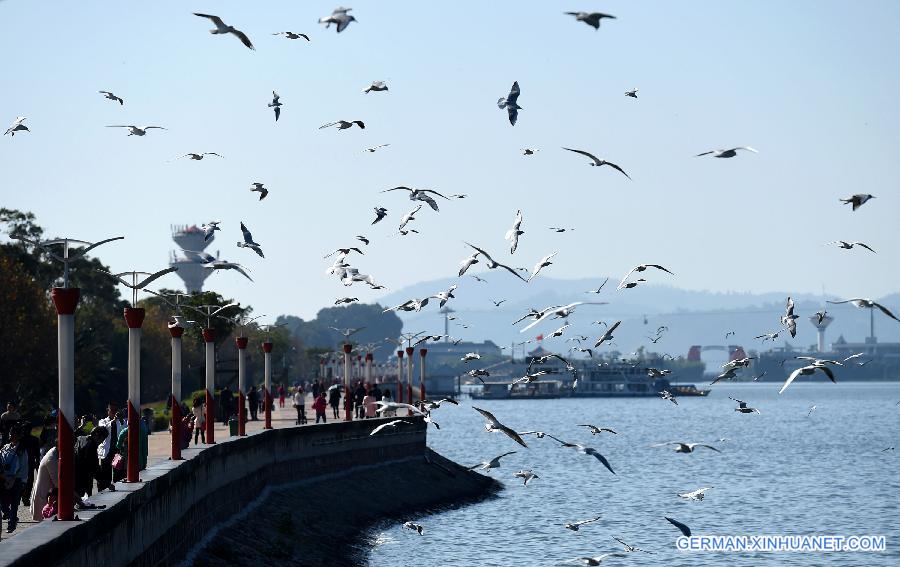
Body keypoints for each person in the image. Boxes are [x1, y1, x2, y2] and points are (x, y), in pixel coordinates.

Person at [74, 426, 108, 500]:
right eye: (102, 439)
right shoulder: (91, 446)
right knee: (84, 502)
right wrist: (106, 484)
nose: (102, 442)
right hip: (83, 480)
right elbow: (94, 467)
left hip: (74, 477)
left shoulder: (80, 438)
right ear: (97, 436)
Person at [96, 403, 124, 491]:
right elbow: (103, 429)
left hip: (117, 451)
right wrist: (113, 421)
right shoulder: (102, 421)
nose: (114, 412)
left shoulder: (121, 422)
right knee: (105, 473)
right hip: (106, 451)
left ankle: (118, 489)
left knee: (118, 473)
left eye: (116, 410)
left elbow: (125, 430)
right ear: (108, 411)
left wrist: (121, 420)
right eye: (112, 410)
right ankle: (102, 491)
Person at [1, 427, 23, 532]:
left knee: (14, 503)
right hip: (4, 478)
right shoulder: (5, 447)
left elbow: (23, 467)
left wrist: (20, 480)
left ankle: (11, 524)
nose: (11, 436)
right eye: (10, 433)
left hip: (16, 479)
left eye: (14, 434)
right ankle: (10, 516)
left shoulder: (22, 450)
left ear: (18, 436)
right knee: (3, 504)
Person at [29, 446, 58, 522]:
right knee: (46, 519)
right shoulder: (51, 458)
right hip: (47, 496)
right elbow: (58, 482)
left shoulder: (54, 454)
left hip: (48, 494)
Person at [18, 422, 40, 506]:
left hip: (24, 463)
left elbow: (37, 454)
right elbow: (37, 454)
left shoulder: (20, 440)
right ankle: (25, 496)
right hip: (27, 462)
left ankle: (24, 496)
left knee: (27, 481)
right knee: (28, 481)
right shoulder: (33, 439)